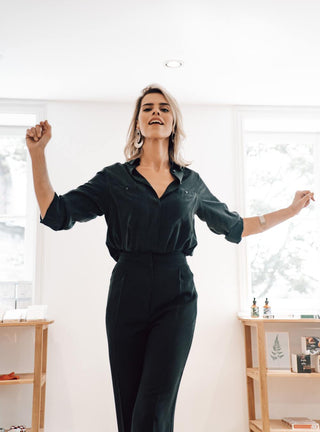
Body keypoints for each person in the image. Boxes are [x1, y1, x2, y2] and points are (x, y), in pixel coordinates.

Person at [25, 84, 315, 432]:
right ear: (138, 124)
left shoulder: (191, 184)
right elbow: (55, 213)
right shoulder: (114, 179)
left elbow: (236, 226)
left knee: (154, 406)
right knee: (130, 407)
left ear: (173, 122)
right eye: (147, 109)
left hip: (176, 295)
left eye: (163, 108)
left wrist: (289, 210)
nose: (155, 113)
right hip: (126, 292)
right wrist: (37, 155)